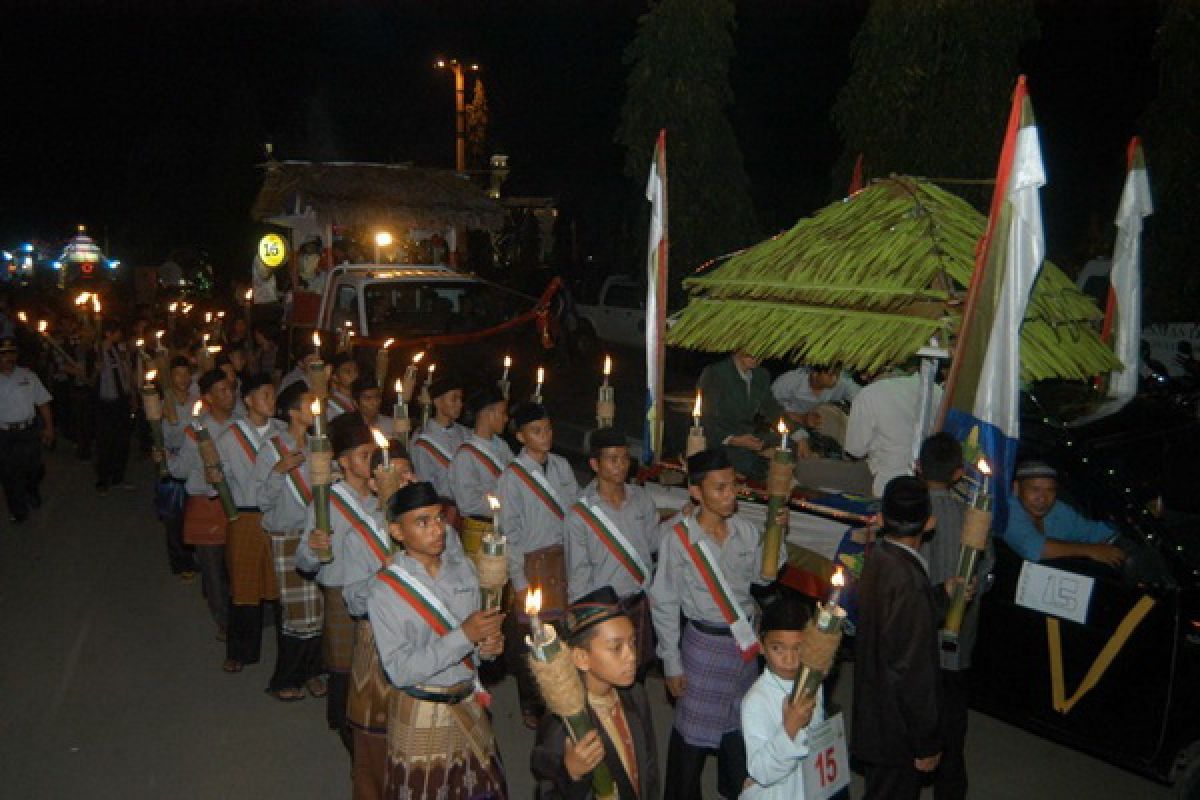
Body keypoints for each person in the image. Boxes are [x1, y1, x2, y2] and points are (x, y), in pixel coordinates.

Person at [649, 448, 786, 800]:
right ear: (696, 492)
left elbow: (764, 578)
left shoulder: (746, 531)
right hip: (703, 648)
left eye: (733, 487)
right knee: (691, 738)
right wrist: (671, 661)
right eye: (720, 488)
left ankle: (737, 791)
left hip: (742, 649)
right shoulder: (678, 539)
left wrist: (777, 537)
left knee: (740, 730)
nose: (730, 496)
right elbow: (664, 602)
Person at [368, 480, 507, 799]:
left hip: (468, 701)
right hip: (422, 709)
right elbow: (400, 670)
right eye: (422, 521)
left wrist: (489, 647)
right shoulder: (386, 591)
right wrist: (464, 636)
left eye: (440, 518)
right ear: (397, 532)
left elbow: (480, 651)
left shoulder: (465, 573)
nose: (437, 529)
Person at [852, 475, 947, 800]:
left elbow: (894, 625)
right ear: (930, 522)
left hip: (875, 716)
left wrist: (940, 596)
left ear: (879, 519)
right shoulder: (908, 582)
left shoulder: (878, 556)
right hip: (897, 731)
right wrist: (927, 742)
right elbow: (913, 672)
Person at [916, 433, 993, 800]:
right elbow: (988, 571)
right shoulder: (972, 515)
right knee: (951, 727)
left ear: (917, 467)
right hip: (956, 647)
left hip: (916, 646)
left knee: (913, 725)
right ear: (959, 473)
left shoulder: (908, 514)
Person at [296, 412, 381, 746]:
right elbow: (303, 559)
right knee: (345, 667)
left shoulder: (382, 497)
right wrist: (314, 548)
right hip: (340, 593)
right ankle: (348, 732)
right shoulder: (326, 502)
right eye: (364, 455)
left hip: (378, 592)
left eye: (374, 453)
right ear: (343, 462)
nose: (372, 461)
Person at [531, 586, 660, 800]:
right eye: (616, 647)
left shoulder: (635, 695)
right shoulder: (561, 723)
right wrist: (571, 773)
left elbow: (649, 766)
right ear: (581, 658)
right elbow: (548, 793)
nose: (631, 656)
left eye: (632, 642)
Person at [497, 401, 581, 728]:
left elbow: (574, 510)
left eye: (547, 429)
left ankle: (564, 693)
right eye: (536, 431)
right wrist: (519, 582)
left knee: (563, 631)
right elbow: (511, 534)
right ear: (520, 436)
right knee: (533, 634)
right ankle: (532, 699)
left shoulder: (560, 466)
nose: (544, 436)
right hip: (532, 563)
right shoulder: (512, 479)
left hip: (562, 559)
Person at [565, 427, 660, 679]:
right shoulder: (580, 514)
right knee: (604, 679)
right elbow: (578, 574)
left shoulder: (642, 500)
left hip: (637, 603)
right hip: (604, 610)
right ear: (595, 464)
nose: (621, 466)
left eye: (625, 458)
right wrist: (583, 624)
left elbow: (653, 545)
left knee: (635, 674)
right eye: (612, 459)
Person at [254, 380, 326, 702]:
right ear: (294, 412)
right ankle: (286, 677)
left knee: (318, 609)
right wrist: (280, 470)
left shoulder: (318, 445)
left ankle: (312, 672)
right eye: (310, 403)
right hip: (286, 535)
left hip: (314, 534)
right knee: (297, 612)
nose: (316, 408)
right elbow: (262, 499)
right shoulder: (273, 447)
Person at [216, 373, 284, 673]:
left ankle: (289, 653)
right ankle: (241, 650)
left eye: (273, 395)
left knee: (282, 585)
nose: (271, 401)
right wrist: (213, 479)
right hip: (245, 515)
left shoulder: (283, 432)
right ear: (248, 400)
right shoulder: (230, 437)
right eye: (265, 395)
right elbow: (217, 478)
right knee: (244, 585)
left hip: (280, 516)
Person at [166, 368, 236, 640]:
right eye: (221, 390)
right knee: (213, 571)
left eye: (231, 389)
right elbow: (181, 470)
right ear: (207, 397)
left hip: (237, 507)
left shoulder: (241, 425)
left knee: (233, 568)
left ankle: (239, 616)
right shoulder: (195, 431)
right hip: (206, 507)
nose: (228, 395)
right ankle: (224, 622)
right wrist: (166, 459)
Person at [740, 595, 823, 799]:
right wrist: (790, 728)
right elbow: (761, 771)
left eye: (798, 648)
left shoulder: (814, 684)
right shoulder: (755, 701)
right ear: (761, 645)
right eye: (777, 648)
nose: (789, 659)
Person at [1003, 460, 1124, 566]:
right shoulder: (1006, 510)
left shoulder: (1058, 510)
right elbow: (1035, 548)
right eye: (1035, 489)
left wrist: (1122, 541)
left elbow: (1092, 532)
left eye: (1050, 490)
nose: (1043, 498)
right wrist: (1090, 550)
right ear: (1016, 488)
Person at [844, 368, 943, 497]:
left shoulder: (868, 395)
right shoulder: (935, 390)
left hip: (887, 485)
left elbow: (855, 450)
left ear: (864, 376)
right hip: (928, 485)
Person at [696, 349, 786, 481]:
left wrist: (798, 435)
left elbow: (772, 408)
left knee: (789, 448)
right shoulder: (716, 374)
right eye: (750, 350)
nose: (756, 357)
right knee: (751, 462)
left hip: (749, 437)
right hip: (719, 439)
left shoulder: (761, 375)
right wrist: (735, 440)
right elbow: (706, 420)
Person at [448, 385, 514, 544]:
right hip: (481, 535)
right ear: (487, 413)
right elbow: (468, 504)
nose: (506, 418)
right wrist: (508, 505)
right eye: (503, 412)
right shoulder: (466, 456)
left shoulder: (502, 446)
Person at [0, 337, 54, 523]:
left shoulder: (27, 375)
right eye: (4, 354)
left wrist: (49, 428)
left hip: (28, 431)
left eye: (12, 353)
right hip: (4, 434)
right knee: (8, 473)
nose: (9, 358)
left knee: (34, 469)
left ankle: (31, 490)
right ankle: (18, 510)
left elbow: (43, 402)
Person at [157, 356, 199, 581]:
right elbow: (157, 436)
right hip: (173, 461)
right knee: (174, 517)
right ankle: (181, 561)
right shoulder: (161, 403)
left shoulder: (198, 401)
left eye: (186, 374)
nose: (182, 379)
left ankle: (195, 555)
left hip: (194, 462)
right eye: (177, 374)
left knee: (195, 512)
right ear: (170, 377)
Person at [770, 364, 860, 455]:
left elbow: (862, 397)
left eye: (837, 374)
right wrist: (802, 419)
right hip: (784, 422)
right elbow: (770, 410)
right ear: (815, 373)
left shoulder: (841, 383)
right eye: (830, 375)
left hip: (812, 422)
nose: (835, 379)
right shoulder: (789, 381)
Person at [410, 375, 469, 503]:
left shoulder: (466, 434)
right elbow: (423, 481)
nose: (459, 404)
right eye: (454, 399)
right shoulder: (423, 438)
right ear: (437, 401)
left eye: (460, 399)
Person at [93, 319, 134, 493]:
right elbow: (89, 379)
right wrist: (96, 369)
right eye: (117, 332)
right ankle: (103, 479)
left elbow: (125, 374)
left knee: (122, 442)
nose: (120, 335)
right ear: (108, 333)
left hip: (121, 401)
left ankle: (118, 476)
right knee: (105, 443)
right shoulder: (97, 351)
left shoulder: (118, 350)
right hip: (105, 404)